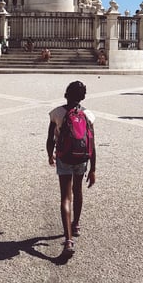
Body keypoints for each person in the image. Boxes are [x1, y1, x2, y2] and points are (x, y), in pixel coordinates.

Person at [46, 81, 96, 259]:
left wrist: (50, 155)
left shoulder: (57, 113)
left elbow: (50, 139)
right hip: (82, 158)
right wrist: (93, 169)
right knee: (78, 190)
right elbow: (92, 143)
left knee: (65, 197)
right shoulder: (87, 114)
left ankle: (68, 240)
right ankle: (76, 224)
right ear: (83, 97)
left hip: (64, 157)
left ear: (66, 94)